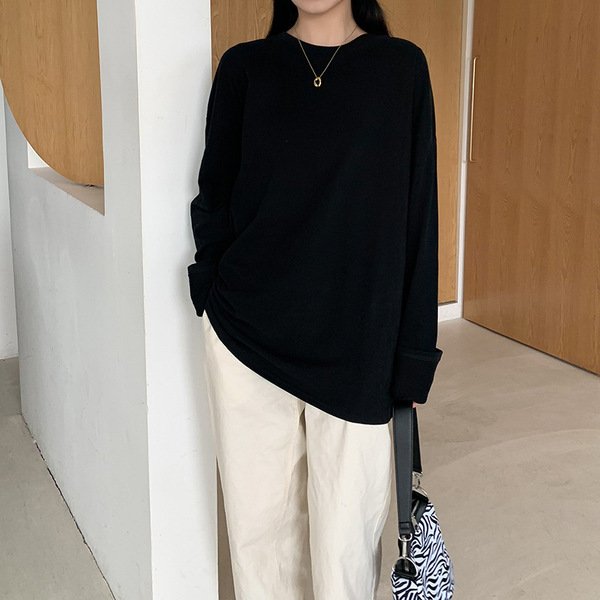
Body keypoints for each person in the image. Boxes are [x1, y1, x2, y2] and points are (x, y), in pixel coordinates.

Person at [187, 1, 443, 598]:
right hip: (246, 337)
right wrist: (211, 288)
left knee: (344, 550)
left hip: (359, 344)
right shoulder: (245, 68)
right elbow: (214, 192)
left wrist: (412, 357)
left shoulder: (399, 68)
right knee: (259, 542)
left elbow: (418, 220)